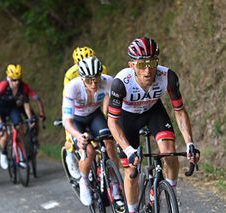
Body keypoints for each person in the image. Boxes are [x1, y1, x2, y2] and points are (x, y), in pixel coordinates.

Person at [107, 37, 200, 213]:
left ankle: (170, 193)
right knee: (131, 170)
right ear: (132, 65)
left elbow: (179, 111)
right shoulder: (121, 83)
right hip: (127, 118)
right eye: (142, 64)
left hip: (153, 111)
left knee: (169, 153)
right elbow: (112, 121)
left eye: (152, 62)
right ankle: (133, 210)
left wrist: (189, 143)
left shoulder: (168, 77)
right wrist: (128, 150)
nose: (148, 70)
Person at [62, 56, 120, 206]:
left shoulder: (108, 81)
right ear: (82, 79)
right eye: (89, 80)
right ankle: (84, 181)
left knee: (108, 143)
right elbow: (67, 122)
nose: (94, 84)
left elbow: (121, 107)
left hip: (95, 115)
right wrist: (78, 136)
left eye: (96, 79)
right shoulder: (72, 87)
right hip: (77, 120)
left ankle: (114, 183)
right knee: (88, 151)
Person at [63, 46, 109, 180]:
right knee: (76, 143)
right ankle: (70, 154)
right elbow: (67, 104)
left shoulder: (101, 70)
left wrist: (106, 115)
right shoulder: (70, 75)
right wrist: (71, 137)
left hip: (94, 111)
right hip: (76, 112)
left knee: (107, 139)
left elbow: (107, 94)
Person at [0, 64, 35, 170]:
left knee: (20, 128)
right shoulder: (2, 86)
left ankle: (20, 155)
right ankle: (3, 153)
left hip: (11, 109)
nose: (17, 82)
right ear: (9, 79)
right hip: (0, 110)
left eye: (19, 79)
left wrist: (29, 117)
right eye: (14, 80)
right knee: (4, 135)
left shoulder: (22, 87)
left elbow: (26, 104)